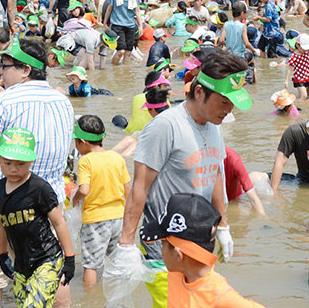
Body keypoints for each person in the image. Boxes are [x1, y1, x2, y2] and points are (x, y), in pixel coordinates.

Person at [117, 50, 250, 308]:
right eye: (224, 101)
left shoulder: (214, 126)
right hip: (164, 247)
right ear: (199, 92)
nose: (229, 109)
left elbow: (215, 176)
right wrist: (125, 245)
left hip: (198, 244)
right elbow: (139, 188)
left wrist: (223, 226)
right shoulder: (165, 127)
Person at [0, 38, 73, 308]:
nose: (0, 73)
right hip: (49, 203)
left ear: (25, 70)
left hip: (3, 203)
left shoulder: (5, 100)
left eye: (5, 66)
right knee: (52, 272)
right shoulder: (62, 101)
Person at [0, 128, 75, 308]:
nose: (13, 169)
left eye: (20, 164)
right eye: (7, 163)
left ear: (31, 161)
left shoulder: (39, 188)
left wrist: (70, 258)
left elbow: (59, 222)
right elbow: (1, 223)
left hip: (47, 259)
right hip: (21, 264)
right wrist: (2, 254)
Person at [138, 193, 266, 307]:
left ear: (178, 255)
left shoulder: (219, 295)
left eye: (162, 244)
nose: (161, 250)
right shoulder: (175, 276)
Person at [71, 115, 130, 287]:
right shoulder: (116, 157)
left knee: (91, 264)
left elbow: (84, 190)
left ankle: (91, 300)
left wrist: (75, 201)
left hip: (95, 219)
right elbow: (128, 191)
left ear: (83, 142)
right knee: (115, 261)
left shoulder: (86, 161)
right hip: (118, 218)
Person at [103, 0, 144, 65]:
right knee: (120, 51)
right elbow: (109, 9)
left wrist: (141, 26)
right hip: (117, 25)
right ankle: (114, 69)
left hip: (130, 26)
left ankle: (125, 73)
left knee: (128, 52)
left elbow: (137, 11)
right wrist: (105, 23)